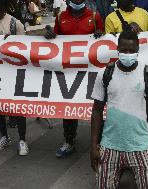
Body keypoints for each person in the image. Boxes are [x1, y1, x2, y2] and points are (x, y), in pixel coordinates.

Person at [90, 30, 148, 188]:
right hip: (109, 146)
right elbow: (96, 111)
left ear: (138, 50)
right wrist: (93, 146)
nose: (127, 54)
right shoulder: (105, 73)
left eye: (131, 50)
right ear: (117, 49)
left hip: (140, 146)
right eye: (123, 50)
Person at [45, 0, 104, 158]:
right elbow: (54, 41)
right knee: (69, 105)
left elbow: (105, 42)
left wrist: (100, 34)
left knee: (97, 106)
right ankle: (69, 141)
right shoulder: (60, 17)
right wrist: (49, 34)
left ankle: (99, 143)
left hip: (92, 71)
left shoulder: (95, 16)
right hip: (69, 71)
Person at [0, 0, 29, 156]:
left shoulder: (15, 24)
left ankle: (22, 140)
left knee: (17, 108)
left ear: (0, 5)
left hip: (13, 74)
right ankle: (4, 137)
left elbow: (26, 49)